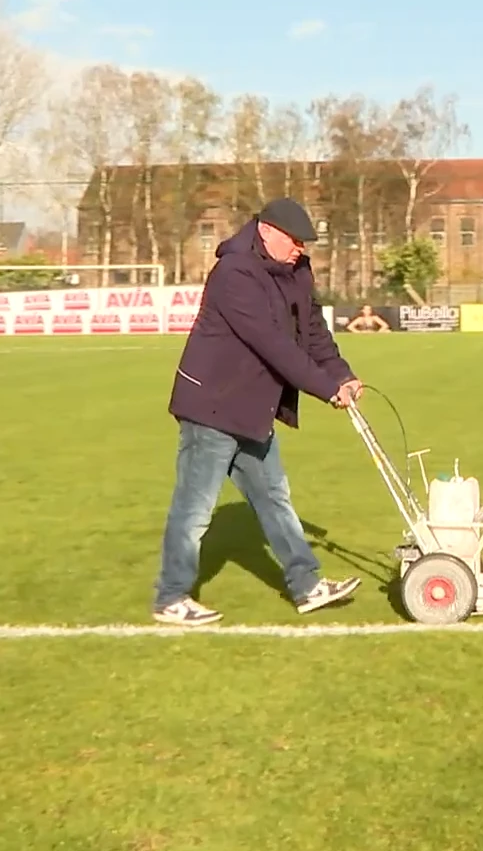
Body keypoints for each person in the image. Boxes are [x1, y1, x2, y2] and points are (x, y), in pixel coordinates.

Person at [151, 197, 365, 626]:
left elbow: (313, 331)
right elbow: (274, 345)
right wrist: (326, 390)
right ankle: (171, 597)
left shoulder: (295, 270)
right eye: (294, 239)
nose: (300, 248)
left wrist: (341, 374)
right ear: (266, 230)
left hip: (253, 407)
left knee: (274, 498)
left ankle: (306, 585)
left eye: (304, 242)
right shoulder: (234, 274)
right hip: (211, 404)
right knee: (195, 509)